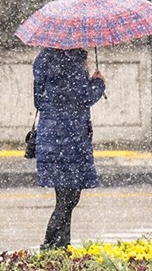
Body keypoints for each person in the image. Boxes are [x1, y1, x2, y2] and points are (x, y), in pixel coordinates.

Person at [32, 47, 106, 250]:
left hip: (49, 136)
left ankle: (62, 245)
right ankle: (48, 244)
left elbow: (38, 101)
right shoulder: (72, 62)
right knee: (70, 197)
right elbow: (83, 98)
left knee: (64, 196)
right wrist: (98, 83)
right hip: (70, 139)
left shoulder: (43, 59)